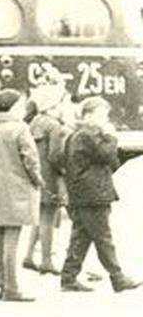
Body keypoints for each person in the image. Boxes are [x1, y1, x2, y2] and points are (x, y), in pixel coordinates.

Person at [53, 97, 140, 293]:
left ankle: (68, 277)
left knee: (81, 236)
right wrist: (111, 136)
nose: (105, 119)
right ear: (89, 115)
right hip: (93, 193)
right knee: (103, 237)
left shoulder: (78, 135)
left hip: (84, 193)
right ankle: (117, 277)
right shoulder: (88, 135)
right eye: (102, 115)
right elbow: (107, 155)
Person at [0, 89, 43, 302]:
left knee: (0, 240)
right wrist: (38, 180)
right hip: (17, 188)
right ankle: (12, 288)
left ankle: (3, 285)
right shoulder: (20, 128)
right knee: (12, 240)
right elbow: (30, 160)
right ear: (13, 106)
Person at [23, 84, 71, 275]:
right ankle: (46, 260)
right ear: (53, 105)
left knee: (38, 216)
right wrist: (65, 171)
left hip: (36, 175)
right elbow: (56, 155)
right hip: (51, 177)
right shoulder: (56, 126)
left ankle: (28, 256)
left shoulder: (35, 121)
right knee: (48, 219)